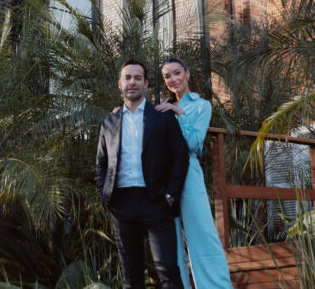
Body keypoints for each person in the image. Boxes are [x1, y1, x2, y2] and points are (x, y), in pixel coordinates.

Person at [96, 58, 189, 289]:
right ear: (120, 83)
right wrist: (105, 197)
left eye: (138, 78)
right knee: (131, 274)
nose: (132, 82)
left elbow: (181, 156)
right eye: (127, 78)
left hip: (156, 201)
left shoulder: (163, 116)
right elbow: (101, 163)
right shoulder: (109, 122)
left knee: (168, 268)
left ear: (146, 83)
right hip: (121, 203)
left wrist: (170, 195)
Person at [156, 57, 234, 289]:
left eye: (177, 73)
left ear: (187, 74)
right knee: (171, 245)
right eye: (167, 76)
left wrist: (176, 112)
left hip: (189, 174)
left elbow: (193, 142)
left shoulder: (201, 105)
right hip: (164, 178)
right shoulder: (161, 109)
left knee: (202, 237)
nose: (173, 79)